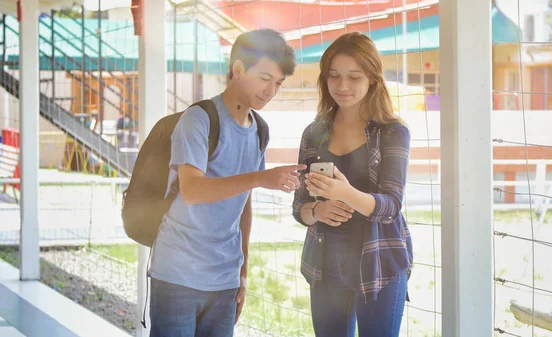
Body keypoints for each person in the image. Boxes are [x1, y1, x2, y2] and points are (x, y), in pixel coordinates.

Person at [148, 29, 305, 337]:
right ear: (237, 70)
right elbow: (192, 190)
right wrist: (262, 178)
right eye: (264, 78)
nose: (271, 90)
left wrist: (242, 270)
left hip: (225, 280)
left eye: (278, 83)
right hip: (178, 274)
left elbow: (243, 204)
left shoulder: (260, 130)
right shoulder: (199, 119)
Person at [292, 32, 413, 337]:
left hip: (379, 266)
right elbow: (299, 209)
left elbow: (391, 206)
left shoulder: (392, 132)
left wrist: (345, 193)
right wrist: (318, 211)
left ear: (373, 78)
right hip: (324, 267)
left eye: (354, 77)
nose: (342, 86)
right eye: (334, 76)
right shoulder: (314, 132)